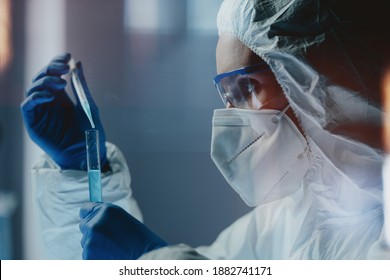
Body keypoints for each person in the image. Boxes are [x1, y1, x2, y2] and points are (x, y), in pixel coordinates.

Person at [21, 0, 390, 259]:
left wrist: (150, 260)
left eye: (245, 88)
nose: (231, 116)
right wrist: (82, 172)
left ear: (323, 85)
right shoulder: (295, 218)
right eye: (225, 94)